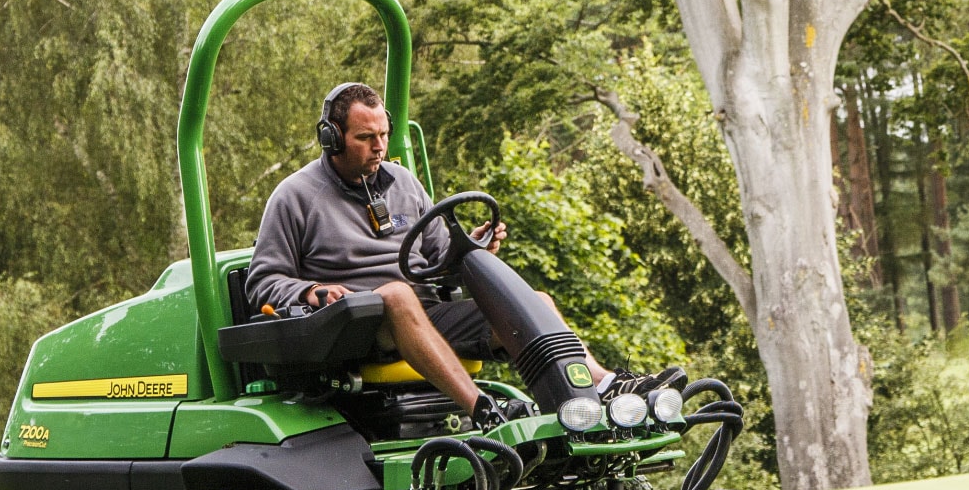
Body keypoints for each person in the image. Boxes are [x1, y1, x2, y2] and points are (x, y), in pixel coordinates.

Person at [246, 83, 681, 425]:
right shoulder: (296, 197)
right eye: (365, 138)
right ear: (332, 138)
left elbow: (439, 263)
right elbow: (264, 281)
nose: (379, 147)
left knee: (535, 303)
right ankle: (482, 409)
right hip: (352, 329)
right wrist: (314, 292)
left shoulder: (403, 183)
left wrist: (468, 248)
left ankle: (603, 389)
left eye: (383, 135)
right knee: (397, 294)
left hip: (422, 317)